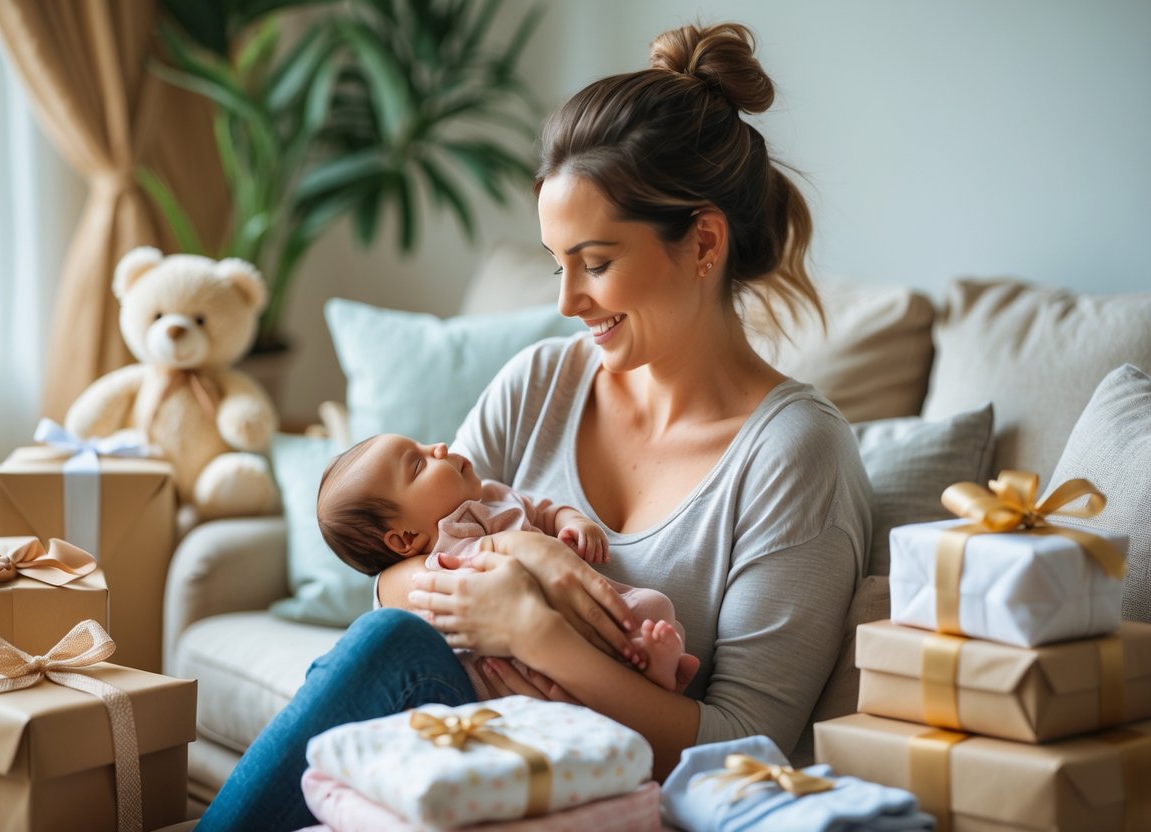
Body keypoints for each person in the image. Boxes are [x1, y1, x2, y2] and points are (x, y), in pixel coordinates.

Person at [196, 21, 872, 831]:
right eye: (558, 264)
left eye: (594, 262)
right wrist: (515, 553)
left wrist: (535, 631)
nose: (564, 302)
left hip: (609, 789)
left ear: (702, 242)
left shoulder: (795, 455)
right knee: (384, 649)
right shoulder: (542, 382)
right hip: (478, 746)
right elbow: (395, 578)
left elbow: (742, 747)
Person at [316, 432, 701, 694]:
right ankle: (650, 668)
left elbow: (544, 510)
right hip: (524, 661)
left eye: (422, 443)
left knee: (654, 606)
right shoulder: (442, 562)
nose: (438, 446)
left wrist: (573, 522)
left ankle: (655, 664)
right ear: (405, 539)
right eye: (417, 465)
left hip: (585, 608)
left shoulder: (495, 495)